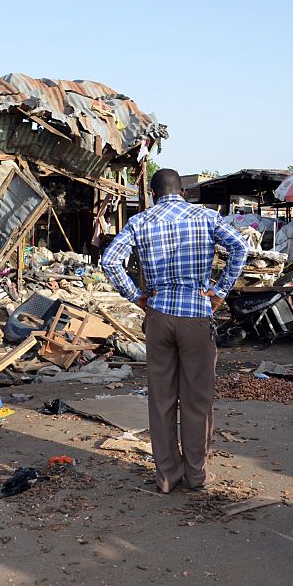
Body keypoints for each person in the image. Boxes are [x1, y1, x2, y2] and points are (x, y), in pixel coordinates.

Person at [101, 168, 248, 493]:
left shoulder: (141, 221)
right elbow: (240, 247)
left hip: (158, 317)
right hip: (196, 314)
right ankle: (197, 475)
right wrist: (220, 292)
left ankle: (167, 477)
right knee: (197, 400)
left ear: (153, 194)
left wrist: (136, 297)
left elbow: (110, 260)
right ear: (182, 191)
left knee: (162, 400)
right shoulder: (205, 216)